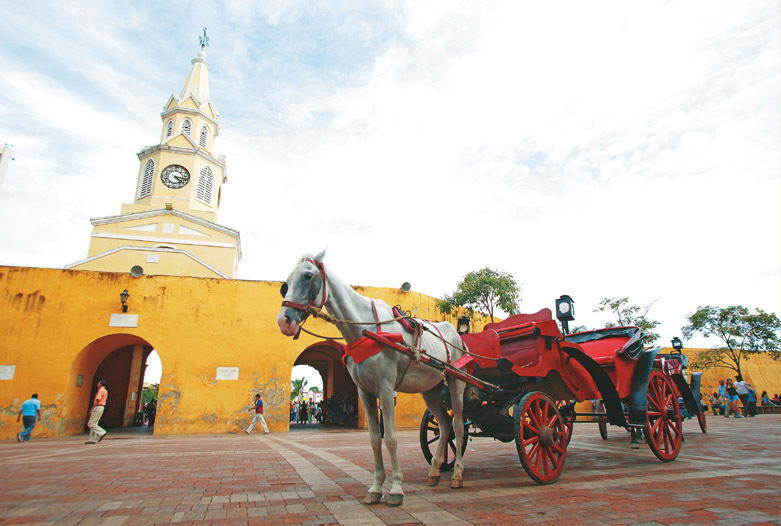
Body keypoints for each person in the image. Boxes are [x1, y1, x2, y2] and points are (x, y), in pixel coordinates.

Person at [86, 379, 108, 444]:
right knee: (95, 423)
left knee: (91, 423)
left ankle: (102, 432)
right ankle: (92, 439)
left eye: (98, 383)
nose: (97, 384)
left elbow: (98, 399)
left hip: (98, 407)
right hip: (102, 407)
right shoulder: (105, 391)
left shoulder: (100, 391)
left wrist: (92, 408)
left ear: (100, 384)